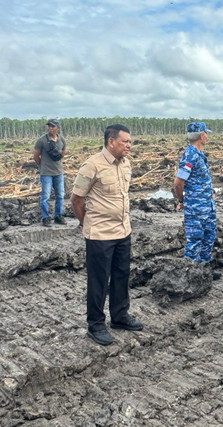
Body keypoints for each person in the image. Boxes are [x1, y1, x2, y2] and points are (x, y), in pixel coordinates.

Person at [70, 124, 143, 346]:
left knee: (121, 275)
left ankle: (120, 317)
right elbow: (76, 199)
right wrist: (86, 223)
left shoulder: (126, 164)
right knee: (99, 281)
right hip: (100, 234)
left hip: (123, 230)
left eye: (130, 141)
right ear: (111, 142)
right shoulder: (92, 166)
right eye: (125, 142)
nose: (129, 145)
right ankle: (96, 325)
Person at [174, 122, 220, 276]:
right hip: (195, 208)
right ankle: (191, 274)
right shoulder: (190, 155)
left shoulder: (199, 154)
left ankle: (205, 271)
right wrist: (182, 201)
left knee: (209, 237)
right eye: (206, 133)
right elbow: (179, 182)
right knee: (194, 241)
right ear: (201, 136)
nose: (207, 136)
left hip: (207, 206)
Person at [33, 119, 67, 227]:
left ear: (58, 128)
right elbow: (36, 156)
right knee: (45, 196)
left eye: (53, 126)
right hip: (46, 173)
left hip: (58, 172)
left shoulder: (61, 139)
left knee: (60, 195)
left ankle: (58, 216)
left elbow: (63, 152)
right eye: (49, 126)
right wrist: (42, 166)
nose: (50, 128)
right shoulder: (42, 140)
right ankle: (45, 217)